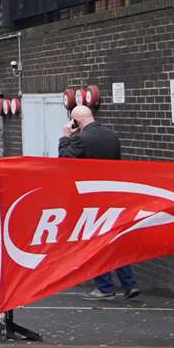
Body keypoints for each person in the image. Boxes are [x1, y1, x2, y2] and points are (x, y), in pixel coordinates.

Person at [60, 105, 140, 300]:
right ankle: (129, 284)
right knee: (114, 241)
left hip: (90, 199)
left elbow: (63, 160)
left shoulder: (80, 138)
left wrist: (65, 137)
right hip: (112, 196)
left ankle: (104, 288)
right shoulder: (112, 136)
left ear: (75, 122)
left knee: (93, 242)